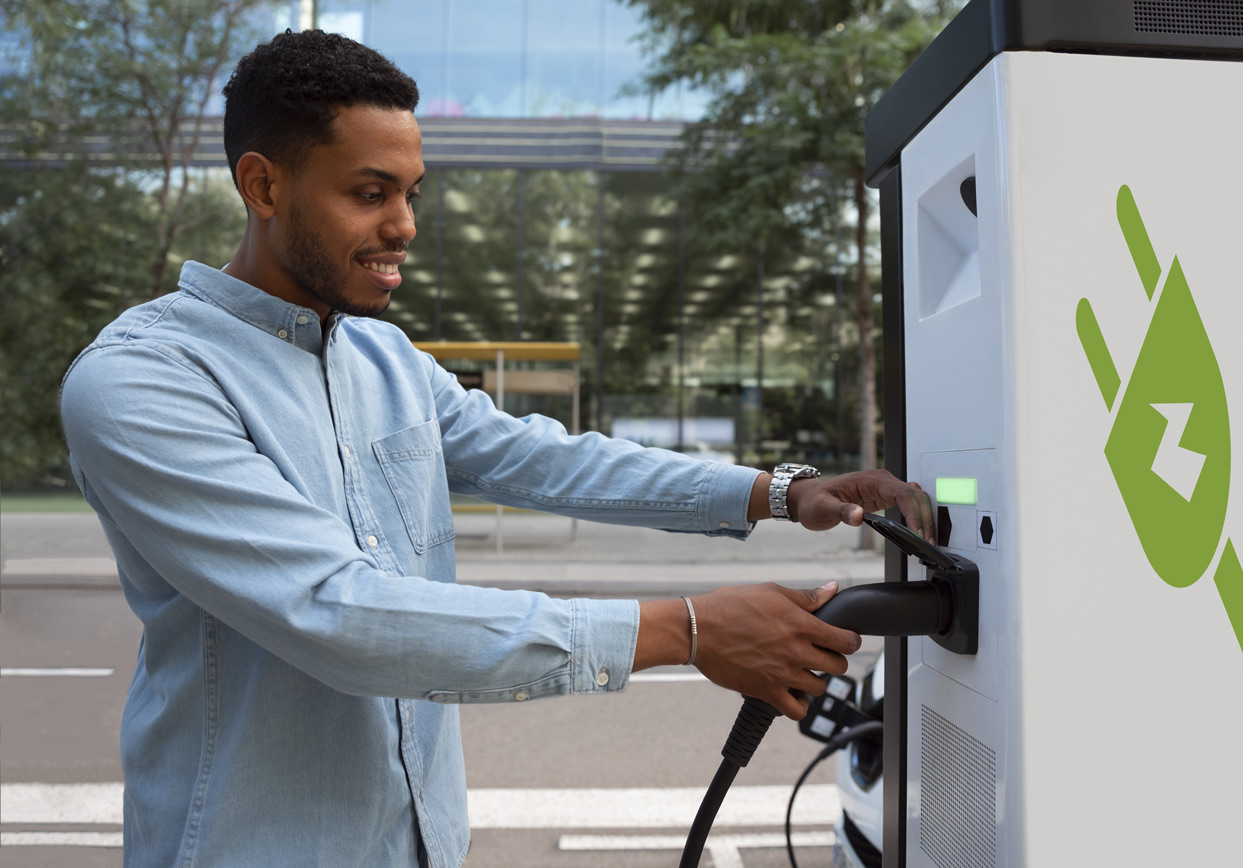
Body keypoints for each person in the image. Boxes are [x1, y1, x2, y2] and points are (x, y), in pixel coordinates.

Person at [59, 29, 935, 868]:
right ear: (264, 186)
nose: (404, 225)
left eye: (412, 193)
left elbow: (544, 458)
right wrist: (687, 630)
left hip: (424, 845)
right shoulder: (144, 382)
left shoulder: (383, 357)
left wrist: (781, 491)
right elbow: (338, 613)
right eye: (370, 193)